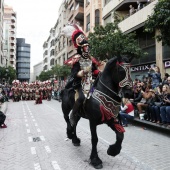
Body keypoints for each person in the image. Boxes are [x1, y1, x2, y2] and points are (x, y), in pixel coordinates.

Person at [62, 23, 100, 126]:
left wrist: (99, 72)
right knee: (81, 98)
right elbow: (74, 74)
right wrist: (82, 72)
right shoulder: (77, 58)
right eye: (85, 47)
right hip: (81, 84)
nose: (87, 48)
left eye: (88, 46)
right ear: (81, 47)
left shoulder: (91, 59)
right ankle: (73, 115)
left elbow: (95, 70)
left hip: (92, 83)